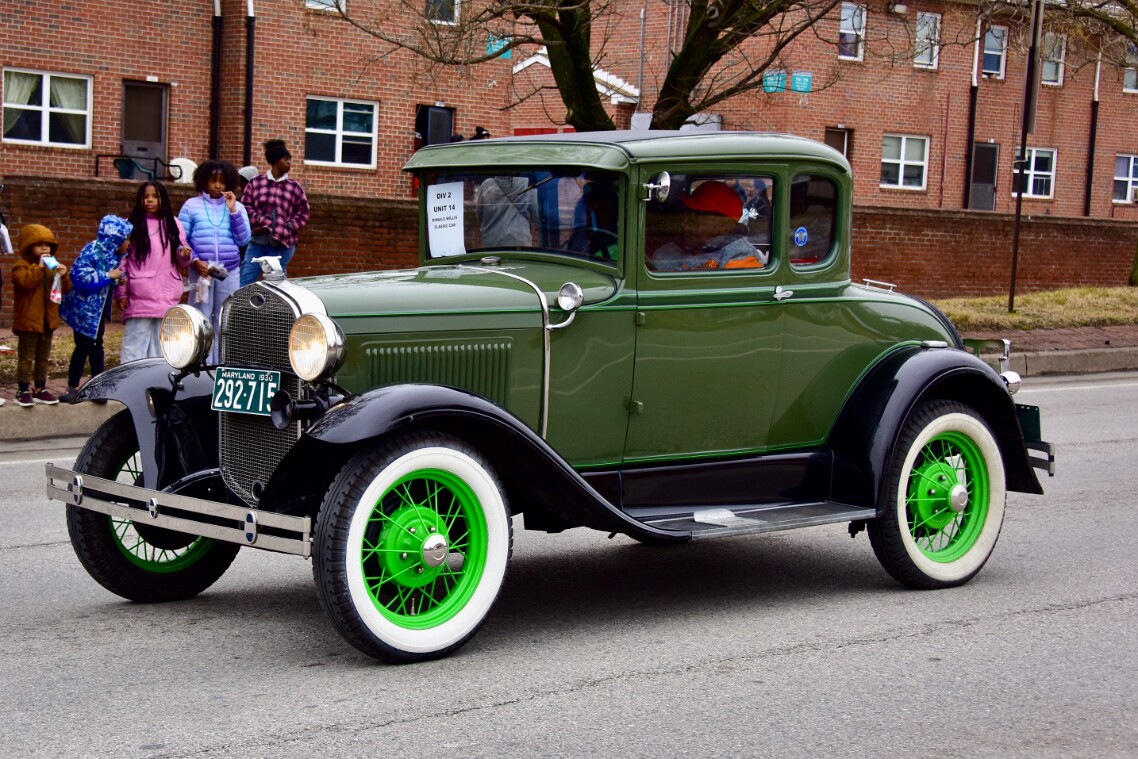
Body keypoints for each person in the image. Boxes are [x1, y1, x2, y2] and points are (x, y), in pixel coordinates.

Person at [179, 159, 250, 364]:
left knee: (224, 317)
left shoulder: (238, 207)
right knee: (199, 316)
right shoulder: (191, 206)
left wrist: (233, 210)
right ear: (203, 181)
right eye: (213, 180)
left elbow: (244, 239)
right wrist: (194, 261)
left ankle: (221, 363)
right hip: (201, 271)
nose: (218, 185)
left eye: (222, 181)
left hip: (229, 271)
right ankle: (198, 362)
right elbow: (181, 241)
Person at [59, 215, 132, 402]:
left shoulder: (113, 255)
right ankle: (72, 387)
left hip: (97, 314)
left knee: (97, 346)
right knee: (82, 347)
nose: (129, 243)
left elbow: (106, 282)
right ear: (114, 238)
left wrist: (115, 280)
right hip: (84, 313)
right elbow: (81, 279)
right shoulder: (91, 251)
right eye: (126, 239)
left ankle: (98, 387)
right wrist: (108, 275)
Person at [117, 181, 191, 363]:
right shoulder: (131, 225)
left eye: (155, 196)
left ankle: (155, 383)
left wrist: (184, 254)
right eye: (145, 197)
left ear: (163, 199)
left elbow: (182, 256)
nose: (150, 200)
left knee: (161, 346)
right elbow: (122, 260)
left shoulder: (174, 224)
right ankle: (130, 382)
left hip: (167, 291)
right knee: (135, 344)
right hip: (139, 293)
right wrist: (121, 293)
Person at [11, 224, 71, 406]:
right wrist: (38, 267)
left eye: (48, 245)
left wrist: (64, 275)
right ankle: (22, 389)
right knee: (26, 357)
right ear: (29, 247)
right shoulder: (21, 266)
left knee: (43, 357)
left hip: (47, 321)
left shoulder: (51, 266)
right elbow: (25, 283)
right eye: (39, 244)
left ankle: (40, 387)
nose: (45, 248)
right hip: (28, 322)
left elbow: (65, 290)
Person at [649, 180, 769, 272]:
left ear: (724, 225)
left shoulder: (740, 256)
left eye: (697, 216)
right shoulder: (667, 250)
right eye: (687, 213)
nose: (686, 222)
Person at [239, 139, 310, 287]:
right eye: (286, 160)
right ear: (276, 161)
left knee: (276, 285)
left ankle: (274, 310)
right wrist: (258, 219)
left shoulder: (294, 187)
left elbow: (303, 212)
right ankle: (243, 309)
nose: (289, 163)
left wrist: (289, 225)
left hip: (282, 243)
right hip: (258, 241)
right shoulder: (256, 183)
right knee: (246, 279)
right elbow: (246, 206)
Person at [475, 175, 538, 247]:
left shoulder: (486, 185)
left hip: (491, 243)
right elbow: (536, 215)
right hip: (520, 243)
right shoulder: (526, 184)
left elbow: (479, 215)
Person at [564, 181, 619, 260]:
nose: (595, 216)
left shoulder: (621, 243)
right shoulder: (578, 239)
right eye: (590, 211)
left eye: (603, 211)